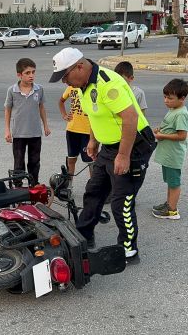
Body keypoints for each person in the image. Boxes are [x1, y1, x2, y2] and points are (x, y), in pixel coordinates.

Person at [49, 47, 155, 264]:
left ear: (79, 66)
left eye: (65, 76)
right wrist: (93, 140)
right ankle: (84, 236)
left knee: (121, 202)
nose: (64, 82)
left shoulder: (108, 82)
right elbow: (96, 118)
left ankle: (128, 250)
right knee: (94, 191)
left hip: (133, 145)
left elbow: (130, 119)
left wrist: (124, 155)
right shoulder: (82, 86)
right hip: (108, 145)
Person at [4, 58, 51, 185]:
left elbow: (41, 107)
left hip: (35, 133)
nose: (32, 75)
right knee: (18, 162)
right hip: (19, 133)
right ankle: (18, 187)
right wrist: (7, 130)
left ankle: (33, 185)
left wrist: (46, 125)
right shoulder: (12, 90)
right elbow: (7, 110)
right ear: (19, 75)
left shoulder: (39, 89)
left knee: (34, 162)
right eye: (28, 73)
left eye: (33, 72)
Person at [152, 79, 188, 220]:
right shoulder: (173, 110)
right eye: (165, 97)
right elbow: (169, 127)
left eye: (170, 98)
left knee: (174, 183)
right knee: (170, 182)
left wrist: (162, 135)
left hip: (173, 155)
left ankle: (172, 211)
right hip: (167, 154)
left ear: (182, 98)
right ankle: (169, 204)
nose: (166, 100)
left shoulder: (181, 114)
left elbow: (182, 135)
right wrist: (160, 129)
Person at [59, 85, 93, 181]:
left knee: (90, 161)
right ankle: (69, 187)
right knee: (71, 159)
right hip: (72, 129)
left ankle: (95, 188)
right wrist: (64, 115)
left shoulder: (91, 87)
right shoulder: (71, 87)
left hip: (87, 131)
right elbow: (61, 101)